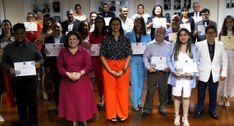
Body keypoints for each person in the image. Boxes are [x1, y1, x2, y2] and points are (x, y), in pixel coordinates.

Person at [1, 23, 44, 126]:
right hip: (16, 80)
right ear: (13, 34)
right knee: (20, 102)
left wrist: (38, 63)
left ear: (25, 33)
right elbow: (3, 62)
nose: (19, 36)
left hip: (31, 79)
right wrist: (9, 68)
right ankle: (23, 121)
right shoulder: (8, 48)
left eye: (21, 33)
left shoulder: (33, 46)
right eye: (17, 34)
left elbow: (41, 58)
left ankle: (33, 121)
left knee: (32, 101)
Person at [57, 31, 97, 126]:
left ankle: (84, 119)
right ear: (67, 41)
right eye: (70, 39)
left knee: (82, 101)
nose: (72, 41)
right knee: (71, 102)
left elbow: (88, 66)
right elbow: (59, 67)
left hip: (82, 79)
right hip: (67, 80)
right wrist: (68, 74)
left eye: (74, 39)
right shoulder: (63, 52)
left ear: (78, 40)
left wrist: (79, 74)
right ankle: (74, 119)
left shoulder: (84, 52)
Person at [100, 17, 132, 122]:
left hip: (123, 66)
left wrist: (123, 69)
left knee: (123, 91)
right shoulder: (105, 38)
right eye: (113, 24)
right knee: (110, 92)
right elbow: (101, 55)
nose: (115, 26)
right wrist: (109, 70)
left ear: (120, 25)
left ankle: (122, 114)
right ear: (110, 26)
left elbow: (129, 55)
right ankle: (111, 114)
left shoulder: (125, 38)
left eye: (117, 24)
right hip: (108, 66)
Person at [193, 25, 228, 120]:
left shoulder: (221, 45)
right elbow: (195, 60)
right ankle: (199, 109)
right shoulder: (199, 45)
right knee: (200, 93)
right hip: (202, 72)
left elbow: (224, 60)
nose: (211, 34)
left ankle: (212, 110)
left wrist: (223, 73)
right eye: (208, 32)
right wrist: (196, 74)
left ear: (216, 33)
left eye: (212, 32)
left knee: (213, 93)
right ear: (205, 34)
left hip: (215, 73)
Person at [167, 28, 199, 126]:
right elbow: (168, 60)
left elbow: (197, 62)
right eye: (181, 35)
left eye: (185, 35)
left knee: (186, 97)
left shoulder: (194, 47)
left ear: (189, 36)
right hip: (176, 77)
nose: (183, 37)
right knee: (176, 96)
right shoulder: (173, 46)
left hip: (187, 78)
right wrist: (173, 71)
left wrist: (192, 73)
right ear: (178, 36)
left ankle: (185, 117)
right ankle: (177, 115)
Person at [141, 26, 170, 117]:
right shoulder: (149, 45)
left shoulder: (169, 45)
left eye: (161, 32)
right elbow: (145, 57)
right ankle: (147, 109)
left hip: (164, 72)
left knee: (163, 90)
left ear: (164, 34)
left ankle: (162, 107)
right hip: (152, 71)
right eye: (157, 32)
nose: (159, 34)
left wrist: (169, 67)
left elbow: (172, 58)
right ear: (154, 33)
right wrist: (148, 67)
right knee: (150, 90)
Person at [126, 16, 151, 111]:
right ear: (134, 23)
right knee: (134, 82)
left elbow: (149, 49)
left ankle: (140, 101)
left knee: (141, 82)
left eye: (140, 22)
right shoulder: (128, 34)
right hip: (132, 60)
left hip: (143, 61)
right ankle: (134, 103)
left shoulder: (147, 35)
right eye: (136, 22)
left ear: (143, 24)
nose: (138, 24)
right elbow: (126, 47)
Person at [41, 22, 65, 109]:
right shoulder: (47, 39)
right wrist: (45, 52)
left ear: (61, 28)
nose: (56, 28)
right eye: (54, 27)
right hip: (54, 66)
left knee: (67, 87)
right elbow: (43, 53)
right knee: (57, 86)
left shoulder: (66, 38)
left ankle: (67, 104)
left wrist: (65, 50)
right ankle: (59, 105)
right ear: (51, 28)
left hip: (66, 66)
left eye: (58, 27)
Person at [90, 16, 107, 108]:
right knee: (99, 80)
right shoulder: (92, 34)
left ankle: (108, 98)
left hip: (107, 60)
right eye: (98, 22)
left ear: (104, 23)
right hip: (96, 60)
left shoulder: (107, 34)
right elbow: (91, 48)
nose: (99, 23)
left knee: (107, 80)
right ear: (95, 23)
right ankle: (101, 97)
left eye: (101, 22)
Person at [218, 15, 234, 107]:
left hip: (232, 56)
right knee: (222, 76)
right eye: (227, 22)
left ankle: (227, 97)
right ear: (225, 23)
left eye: (230, 22)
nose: (229, 24)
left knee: (230, 77)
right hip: (223, 57)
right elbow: (219, 46)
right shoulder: (221, 33)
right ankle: (221, 97)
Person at [0, 19, 15, 108]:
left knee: (16, 82)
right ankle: (10, 101)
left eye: (7, 25)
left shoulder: (15, 37)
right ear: (2, 27)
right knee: (7, 83)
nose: (6, 26)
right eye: (4, 25)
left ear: (10, 26)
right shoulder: (0, 39)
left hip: (15, 62)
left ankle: (18, 98)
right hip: (4, 63)